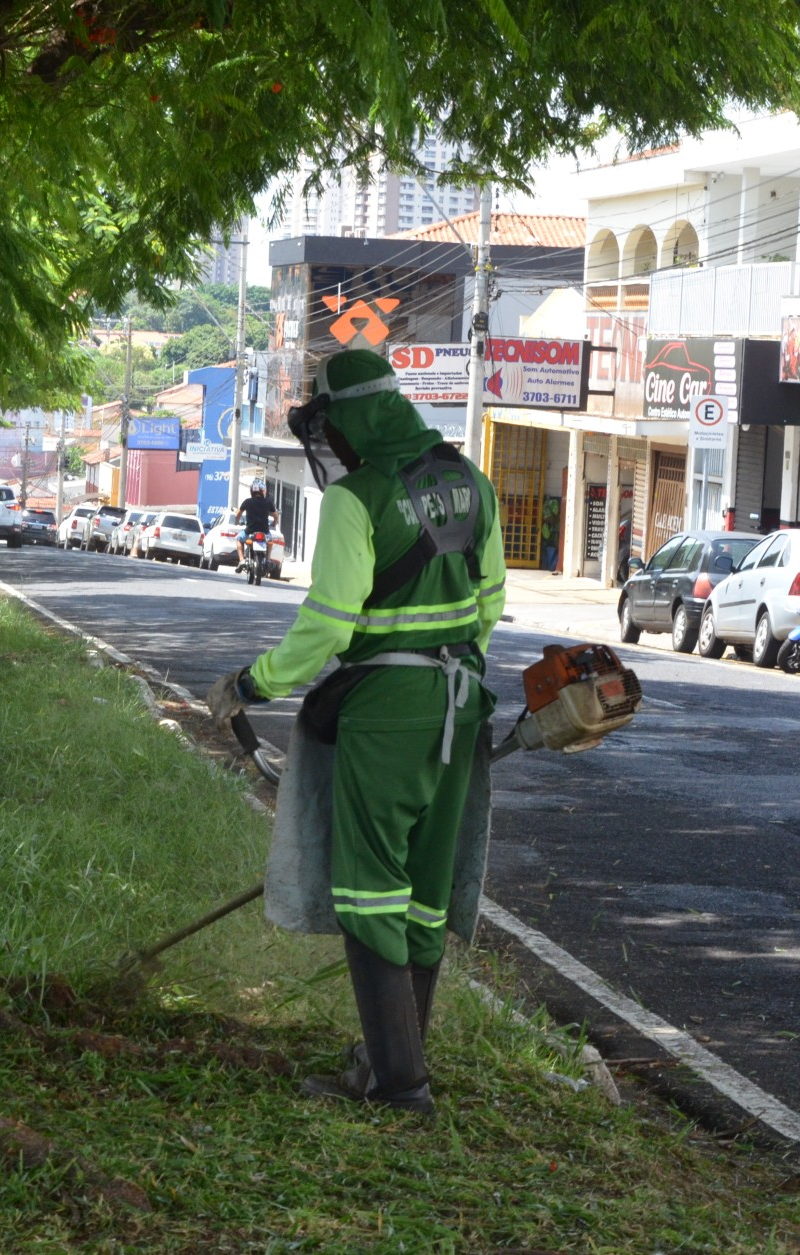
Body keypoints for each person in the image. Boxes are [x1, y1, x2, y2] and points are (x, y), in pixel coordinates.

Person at [205, 348, 505, 1115]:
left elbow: (328, 625)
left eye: (332, 426)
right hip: (460, 704)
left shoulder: (358, 500)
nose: (332, 444)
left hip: (386, 716)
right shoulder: (472, 485)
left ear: (355, 417)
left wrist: (251, 683)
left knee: (371, 893)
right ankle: (387, 1062)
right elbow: (490, 605)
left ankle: (401, 1086)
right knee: (423, 896)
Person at [235, 479, 276, 566]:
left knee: (238, 539)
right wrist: (275, 523)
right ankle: (268, 559)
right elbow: (276, 516)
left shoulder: (247, 502)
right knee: (270, 541)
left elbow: (237, 514)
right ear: (263, 490)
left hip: (249, 532)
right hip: (264, 532)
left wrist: (237, 522)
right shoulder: (268, 502)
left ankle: (242, 560)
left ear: (252, 490)